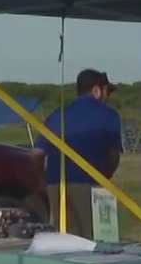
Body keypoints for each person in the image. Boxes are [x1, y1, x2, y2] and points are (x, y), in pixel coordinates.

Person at [36, 69, 123, 239]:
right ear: (97, 90)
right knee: (96, 238)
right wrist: (104, 177)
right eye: (107, 91)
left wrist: (44, 182)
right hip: (90, 185)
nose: (108, 97)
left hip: (56, 186)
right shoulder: (110, 116)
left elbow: (37, 154)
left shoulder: (56, 115)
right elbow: (114, 156)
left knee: (65, 238)